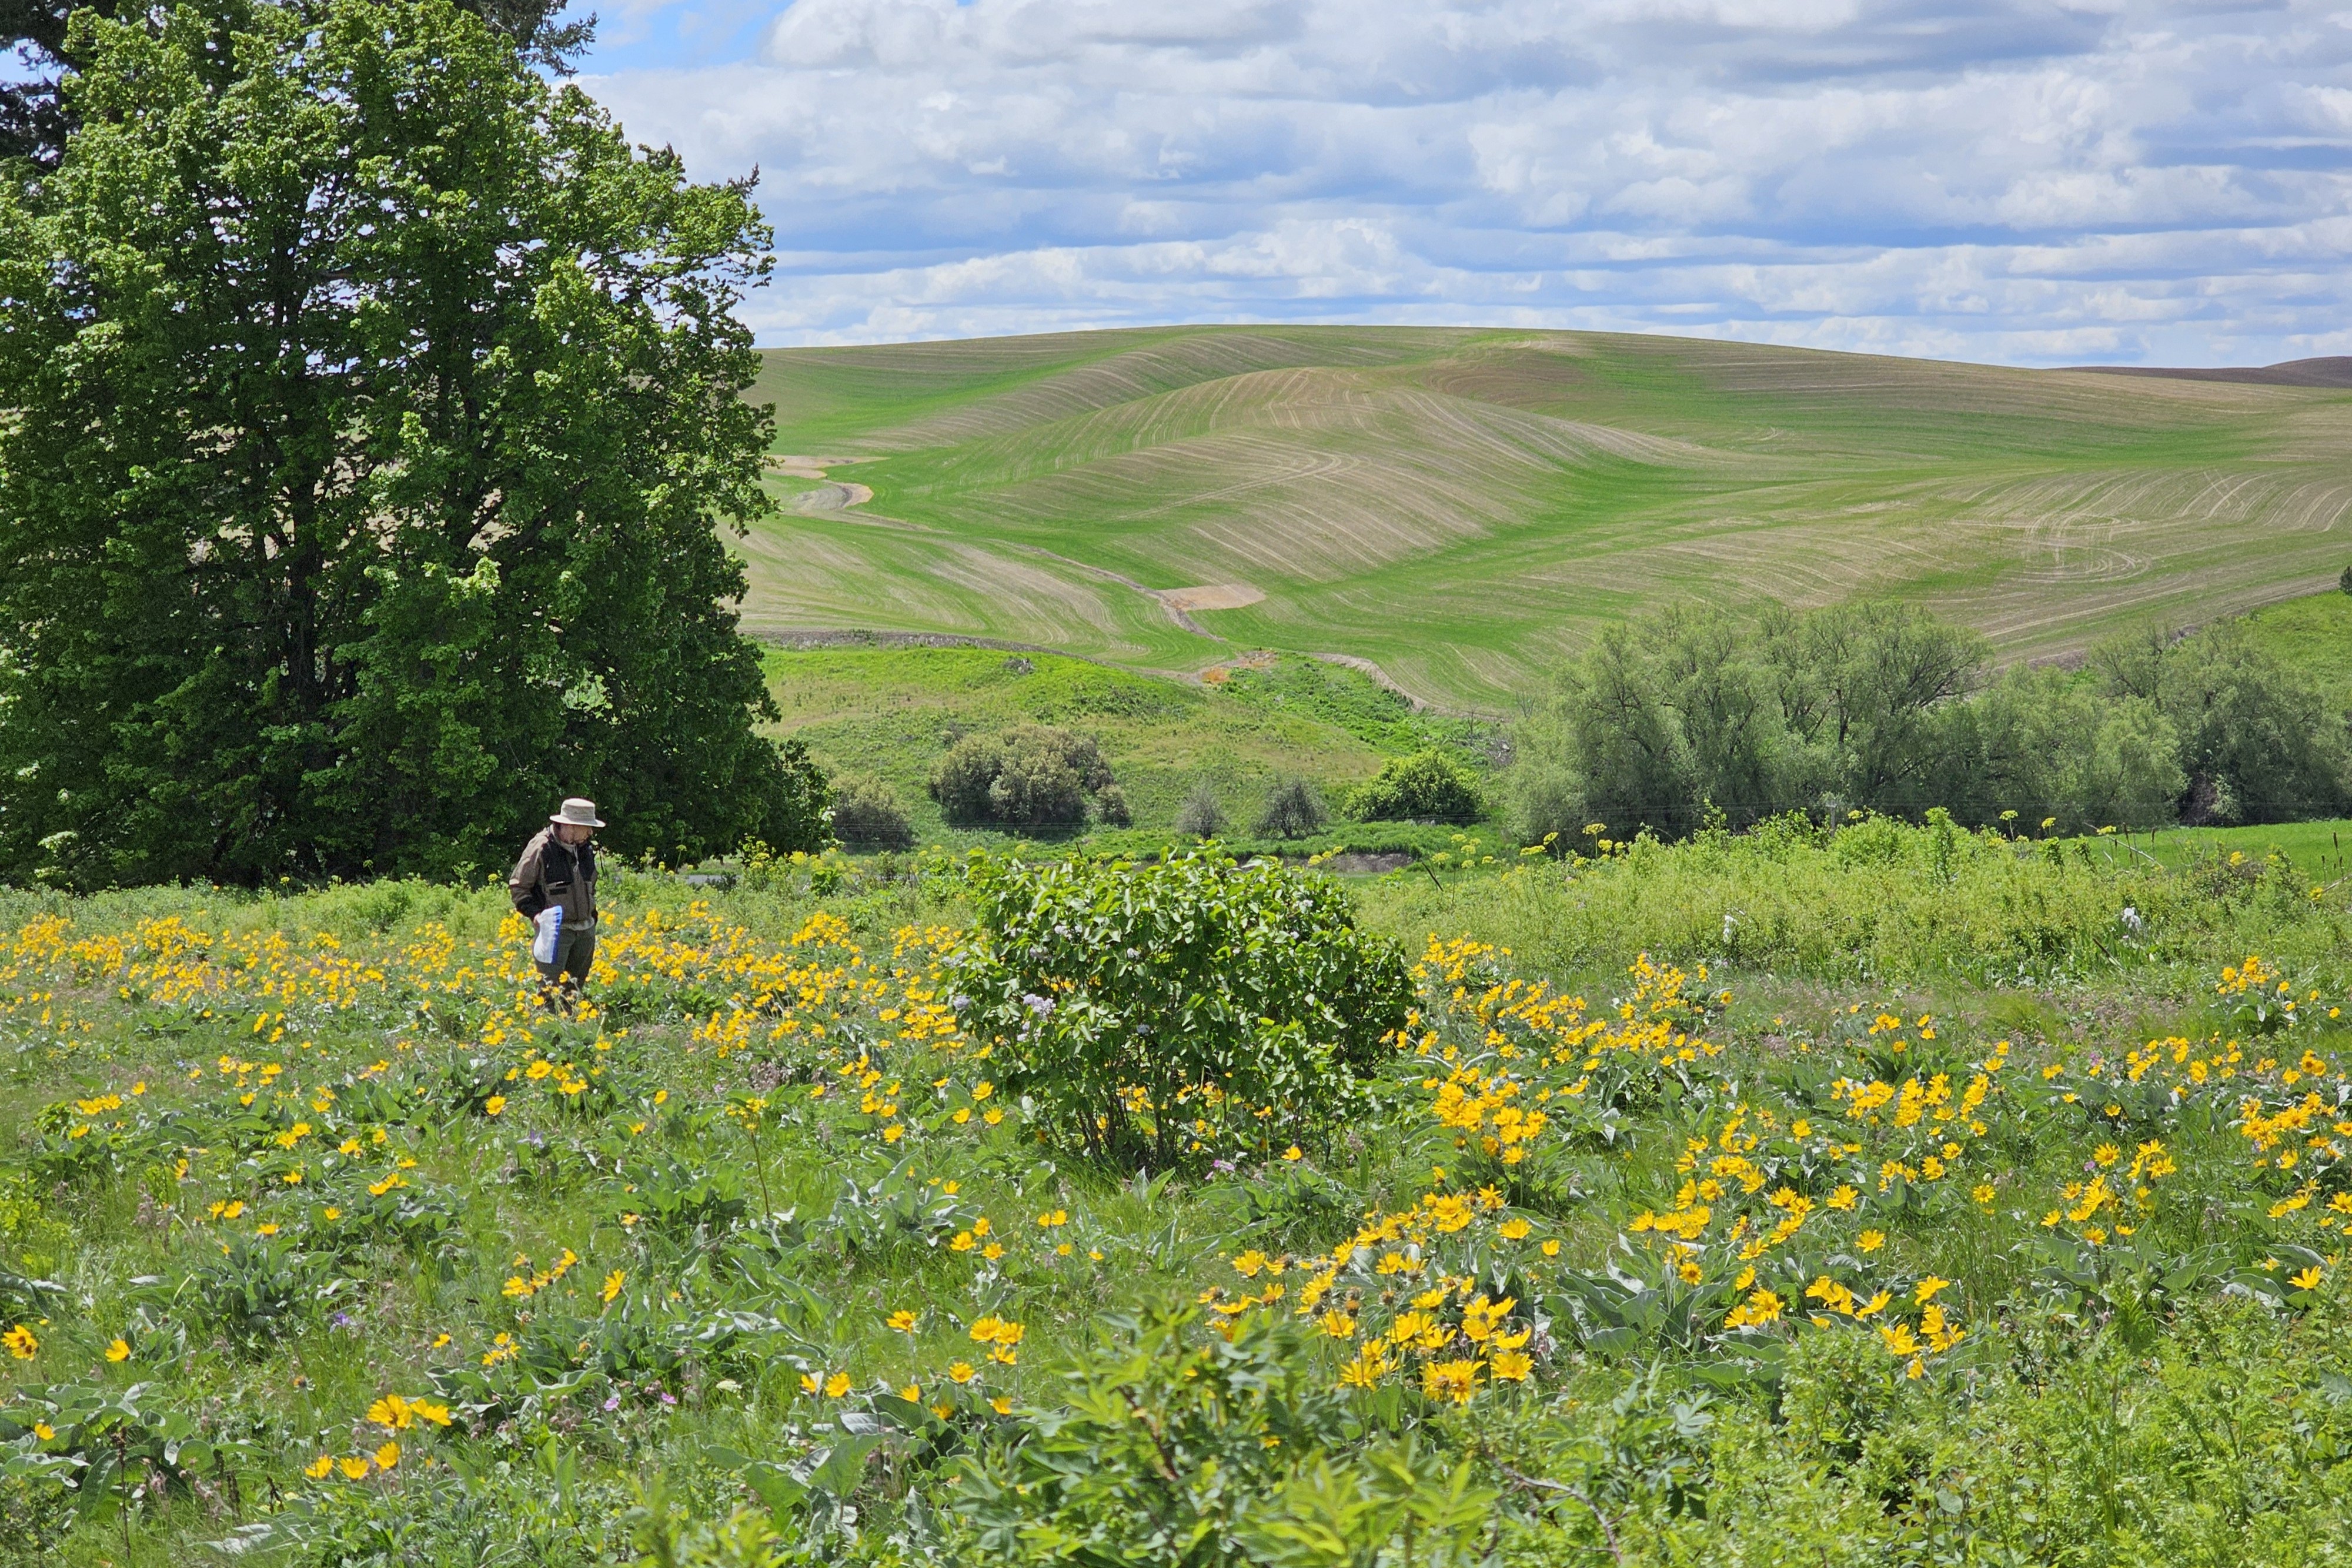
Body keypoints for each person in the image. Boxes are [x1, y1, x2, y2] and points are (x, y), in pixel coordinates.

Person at [510, 797, 603, 1009]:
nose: (590, 833)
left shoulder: (585, 848)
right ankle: (547, 1037)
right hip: (555, 932)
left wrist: (592, 916)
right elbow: (519, 887)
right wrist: (536, 915)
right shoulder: (541, 847)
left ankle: (571, 1034)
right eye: (587, 828)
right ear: (570, 825)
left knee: (574, 991)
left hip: (585, 930)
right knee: (548, 993)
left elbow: (591, 884)